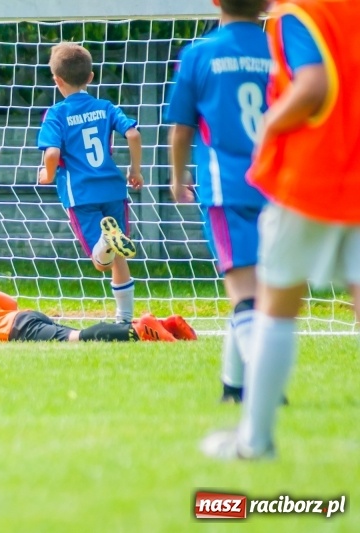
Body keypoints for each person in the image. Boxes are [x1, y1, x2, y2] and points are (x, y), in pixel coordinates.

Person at [202, 0, 360, 460]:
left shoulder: (300, 13)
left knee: (276, 304)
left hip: (310, 179)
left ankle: (255, 441)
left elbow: (313, 85)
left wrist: (270, 126)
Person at [165, 0, 271, 403]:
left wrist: (177, 180)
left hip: (226, 188)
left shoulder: (199, 53)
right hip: (276, 188)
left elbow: (181, 129)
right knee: (259, 291)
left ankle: (263, 386)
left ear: (214, 2)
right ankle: (233, 385)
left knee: (244, 292)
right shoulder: (279, 51)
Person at [0, 232, 198, 343]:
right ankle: (164, 325)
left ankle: (139, 330)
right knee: (75, 337)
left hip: (16, 328)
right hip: (23, 319)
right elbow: (10, 303)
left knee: (77, 339)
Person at [37, 42, 145, 329]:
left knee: (102, 262)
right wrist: (135, 170)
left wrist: (47, 175)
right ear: (91, 77)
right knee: (118, 253)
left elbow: (52, 153)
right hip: (113, 189)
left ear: (57, 80)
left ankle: (104, 241)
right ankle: (124, 319)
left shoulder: (57, 114)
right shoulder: (105, 107)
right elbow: (133, 135)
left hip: (81, 194)